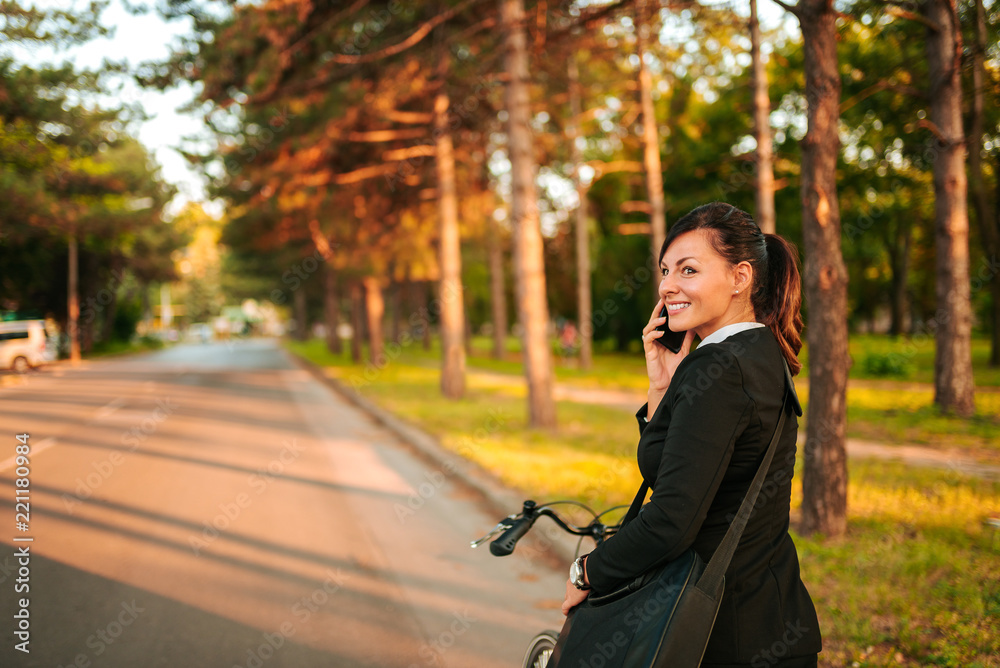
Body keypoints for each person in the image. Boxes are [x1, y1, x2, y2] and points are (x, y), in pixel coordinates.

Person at [561, 203, 822, 667]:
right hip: (767, 618)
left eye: (688, 269)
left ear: (741, 277)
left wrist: (587, 570)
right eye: (665, 270)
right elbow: (682, 471)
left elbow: (671, 522)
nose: (668, 286)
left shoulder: (720, 367)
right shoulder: (758, 352)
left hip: (718, 633)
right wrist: (662, 384)